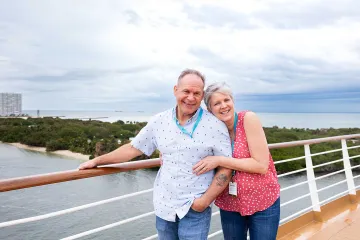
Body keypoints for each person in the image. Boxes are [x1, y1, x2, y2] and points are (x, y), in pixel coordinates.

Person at [78, 69, 233, 240]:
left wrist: (203, 202)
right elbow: (132, 149)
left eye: (196, 93)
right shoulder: (159, 121)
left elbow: (226, 167)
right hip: (164, 206)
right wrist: (98, 160)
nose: (191, 97)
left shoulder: (215, 125)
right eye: (186, 91)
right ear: (175, 90)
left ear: (202, 95)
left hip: (194, 208)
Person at [192, 82, 281, 240]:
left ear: (233, 101)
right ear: (210, 109)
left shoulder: (247, 119)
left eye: (227, 100)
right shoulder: (212, 130)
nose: (223, 106)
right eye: (217, 103)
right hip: (230, 203)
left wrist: (220, 160)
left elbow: (261, 165)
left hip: (262, 200)